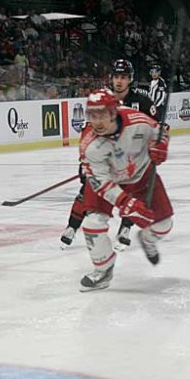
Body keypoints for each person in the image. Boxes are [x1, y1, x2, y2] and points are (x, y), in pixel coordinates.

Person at [75, 88, 172, 291]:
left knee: (164, 225)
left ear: (113, 112)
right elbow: (100, 181)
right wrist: (124, 202)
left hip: (142, 176)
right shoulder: (89, 144)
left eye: (101, 115)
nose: (97, 122)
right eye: (92, 116)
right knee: (93, 223)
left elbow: (160, 130)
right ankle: (103, 270)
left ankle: (147, 239)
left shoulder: (137, 121)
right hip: (110, 181)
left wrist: (160, 144)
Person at [60, 58, 157, 249]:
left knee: (132, 192)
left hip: (131, 159)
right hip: (105, 157)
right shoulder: (102, 99)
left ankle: (125, 229)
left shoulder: (143, 101)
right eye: (116, 76)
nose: (119, 81)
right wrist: (84, 161)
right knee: (87, 189)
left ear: (130, 79)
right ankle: (72, 227)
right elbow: (90, 131)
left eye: (123, 77)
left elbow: (155, 128)